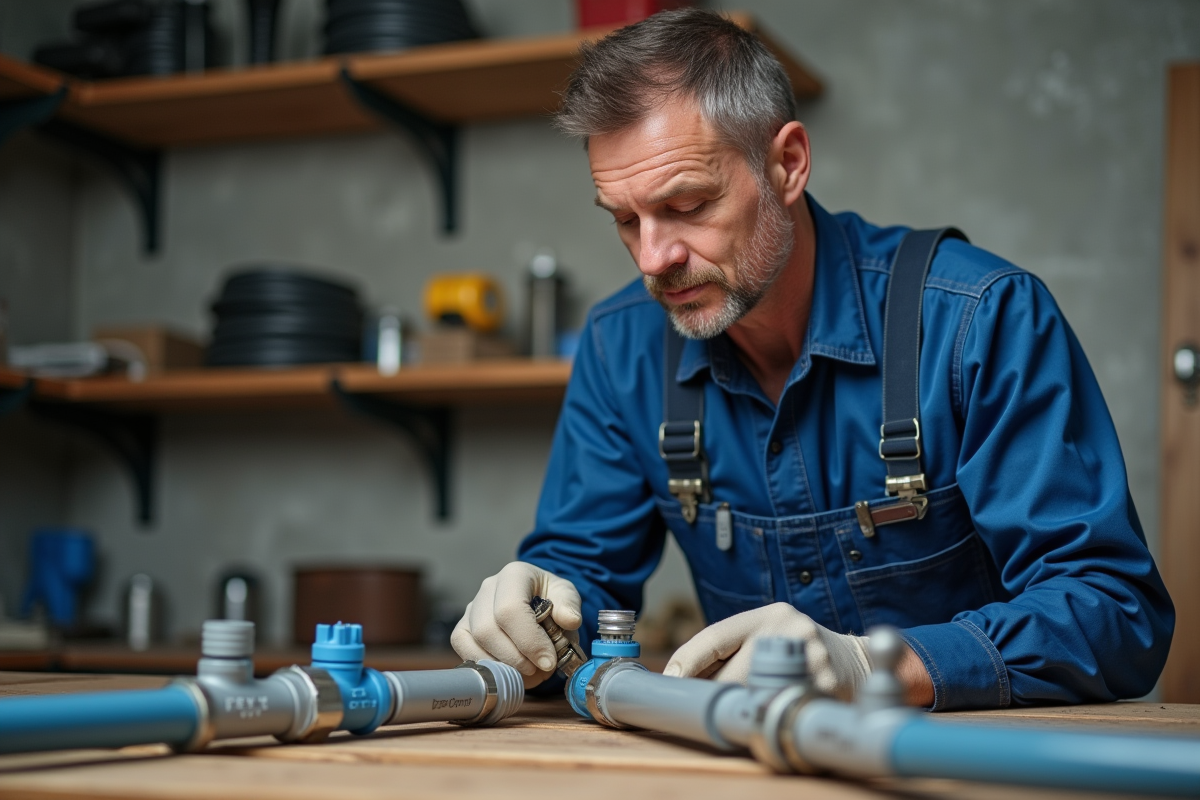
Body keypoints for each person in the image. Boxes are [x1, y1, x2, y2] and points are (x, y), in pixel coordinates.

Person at [451, 9, 1174, 710]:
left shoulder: (980, 319)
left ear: (787, 164)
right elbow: (580, 582)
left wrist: (874, 666)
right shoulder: (621, 348)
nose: (653, 258)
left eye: (689, 204)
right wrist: (529, 617)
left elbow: (1113, 613)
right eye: (624, 218)